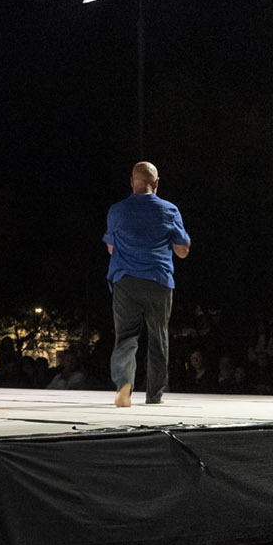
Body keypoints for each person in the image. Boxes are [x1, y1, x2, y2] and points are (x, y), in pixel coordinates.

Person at [104, 160, 191, 407]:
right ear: (157, 183)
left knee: (125, 337)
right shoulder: (169, 210)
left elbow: (111, 248)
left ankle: (124, 386)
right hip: (158, 281)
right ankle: (155, 395)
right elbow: (182, 251)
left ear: (132, 182)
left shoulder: (117, 210)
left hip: (125, 281)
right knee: (158, 337)